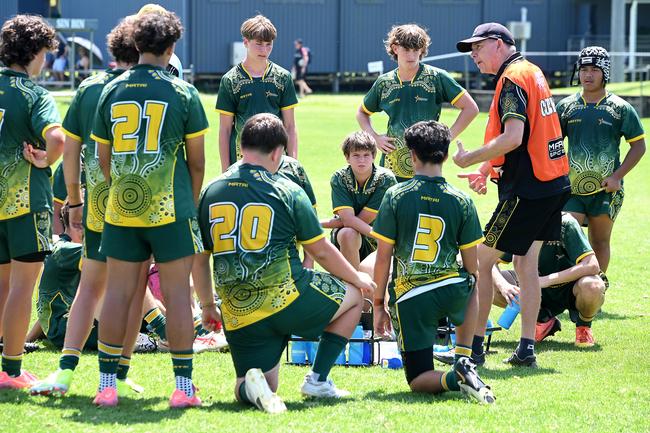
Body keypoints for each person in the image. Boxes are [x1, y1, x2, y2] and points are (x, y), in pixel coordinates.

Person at [197, 113, 375, 413]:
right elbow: (320, 251)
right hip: (287, 298)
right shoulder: (288, 189)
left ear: (241, 147)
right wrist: (358, 279)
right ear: (279, 152)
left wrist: (206, 305)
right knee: (355, 296)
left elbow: (200, 257)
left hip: (238, 309)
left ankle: (252, 386)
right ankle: (318, 380)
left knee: (255, 384)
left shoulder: (211, 190)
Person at [90, 10, 209, 408]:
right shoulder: (183, 92)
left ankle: (106, 386)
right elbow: (197, 161)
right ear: (172, 47)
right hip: (170, 207)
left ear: (135, 44)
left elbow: (102, 157)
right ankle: (183, 389)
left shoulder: (112, 89)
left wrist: (122, 188)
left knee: (118, 295)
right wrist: (189, 203)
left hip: (122, 208)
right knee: (177, 296)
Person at [29, 17, 150, 398]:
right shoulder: (154, 86)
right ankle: (120, 372)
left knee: (90, 287)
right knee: (131, 288)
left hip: (99, 203)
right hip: (144, 203)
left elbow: (71, 150)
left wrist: (73, 200)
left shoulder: (89, 87)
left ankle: (66, 370)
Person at [454, 23, 571, 368]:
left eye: (477, 48)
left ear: (499, 44)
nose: (473, 56)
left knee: (479, 261)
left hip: (529, 190)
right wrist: (488, 169)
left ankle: (473, 349)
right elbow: (532, 135)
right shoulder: (532, 71)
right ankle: (525, 349)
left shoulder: (512, 79)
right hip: (554, 184)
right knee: (525, 264)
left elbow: (515, 136)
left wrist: (470, 157)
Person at [370, 120, 494, 404]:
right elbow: (472, 266)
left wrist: (379, 304)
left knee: (418, 380)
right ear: (446, 156)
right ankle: (465, 357)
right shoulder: (462, 200)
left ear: (412, 156)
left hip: (412, 297)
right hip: (453, 291)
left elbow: (383, 257)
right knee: (472, 280)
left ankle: (455, 377)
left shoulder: (395, 195)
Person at [0, 15, 64, 389]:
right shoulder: (34, 94)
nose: (46, 61)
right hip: (25, 204)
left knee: (3, 285)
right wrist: (46, 159)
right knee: (22, 287)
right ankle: (10, 370)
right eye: (45, 54)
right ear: (32, 53)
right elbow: (56, 138)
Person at [557, 46, 646, 272]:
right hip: (572, 190)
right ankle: (569, 288)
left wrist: (617, 176)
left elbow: (639, 146)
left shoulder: (620, 108)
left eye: (594, 70)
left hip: (606, 190)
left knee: (599, 242)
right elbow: (553, 145)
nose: (588, 75)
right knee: (566, 237)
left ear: (605, 73)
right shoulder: (566, 107)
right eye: (584, 69)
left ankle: (597, 289)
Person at [357, 24, 478, 182]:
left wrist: (445, 139)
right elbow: (362, 113)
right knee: (392, 206)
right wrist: (375, 137)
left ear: (422, 50)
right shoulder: (383, 82)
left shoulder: (437, 77)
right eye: (406, 49)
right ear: (395, 48)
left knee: (426, 206)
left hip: (428, 163)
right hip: (391, 166)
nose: (412, 55)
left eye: (416, 49)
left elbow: (471, 108)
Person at [492, 213, 607, 347]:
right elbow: (487, 262)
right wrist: (503, 286)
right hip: (533, 289)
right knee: (485, 281)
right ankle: (543, 319)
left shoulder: (565, 223)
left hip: (571, 289)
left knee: (593, 286)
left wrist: (544, 280)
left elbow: (592, 265)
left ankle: (584, 327)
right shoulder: (519, 224)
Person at [216, 15, 299, 173]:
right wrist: (225, 170)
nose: (264, 50)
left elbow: (290, 125)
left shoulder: (282, 77)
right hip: (241, 163)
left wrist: (293, 163)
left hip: (276, 161)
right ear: (245, 42)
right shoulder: (230, 80)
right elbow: (225, 129)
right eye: (259, 44)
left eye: (269, 44)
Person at [321, 131, 396, 270]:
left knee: (350, 229)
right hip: (347, 237)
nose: (362, 160)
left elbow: (359, 220)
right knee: (348, 233)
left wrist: (318, 224)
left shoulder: (386, 179)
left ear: (374, 156)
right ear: (347, 158)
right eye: (356, 155)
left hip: (377, 238)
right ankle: (353, 286)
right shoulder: (339, 178)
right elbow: (348, 221)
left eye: (366, 155)